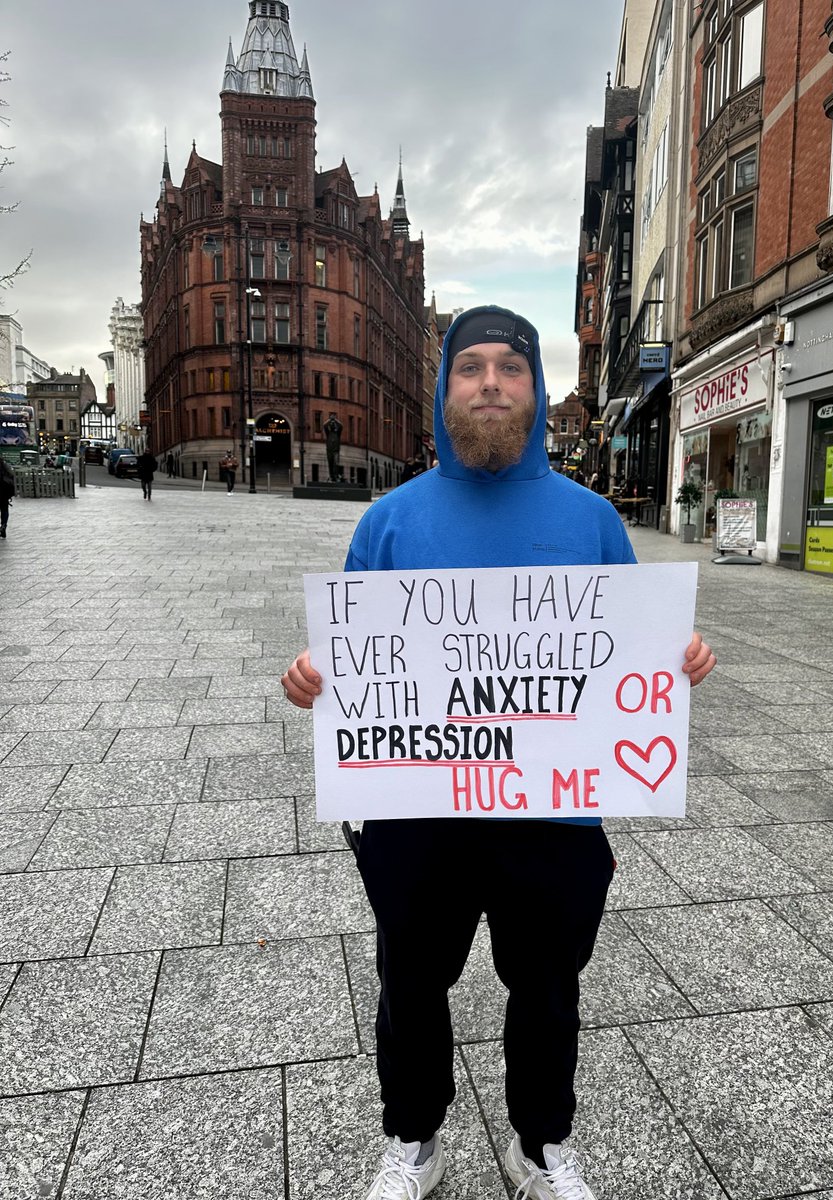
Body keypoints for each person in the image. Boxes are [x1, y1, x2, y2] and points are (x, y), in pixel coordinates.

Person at [281, 306, 716, 1200]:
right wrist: (313, 677)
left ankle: (541, 1144)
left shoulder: (594, 521)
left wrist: (679, 659)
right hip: (416, 809)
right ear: (444, 391)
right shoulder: (388, 525)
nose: (488, 384)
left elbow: (628, 650)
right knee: (411, 979)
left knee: (550, 987)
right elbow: (358, 660)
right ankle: (414, 1139)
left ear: (536, 390)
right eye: (469, 367)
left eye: (508, 369)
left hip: (552, 813)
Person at [323, 412, 343, 482]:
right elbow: (324, 425)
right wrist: (329, 420)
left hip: (336, 451)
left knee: (336, 463)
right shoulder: (328, 434)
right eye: (331, 425)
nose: (332, 425)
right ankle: (331, 476)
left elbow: (341, 426)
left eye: (333, 425)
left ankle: (336, 476)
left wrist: (335, 420)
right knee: (330, 463)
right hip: (329, 450)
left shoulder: (338, 433)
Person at [0, 457, 15, 539]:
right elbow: (12, 474)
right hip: (4, 490)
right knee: (4, 509)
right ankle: (3, 525)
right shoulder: (4, 465)